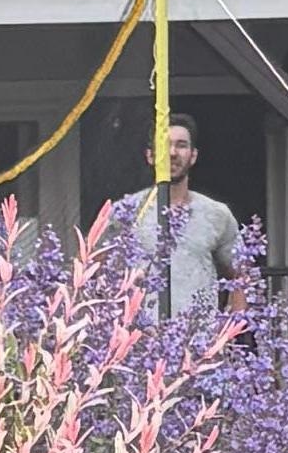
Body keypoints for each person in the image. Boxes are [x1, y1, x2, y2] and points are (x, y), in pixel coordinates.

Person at [96, 116, 255, 325]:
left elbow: (242, 274)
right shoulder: (125, 212)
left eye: (181, 146)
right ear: (150, 156)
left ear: (193, 155)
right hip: (139, 347)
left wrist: (229, 332)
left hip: (197, 345)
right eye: (164, 145)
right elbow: (95, 270)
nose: (172, 153)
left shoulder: (217, 214)